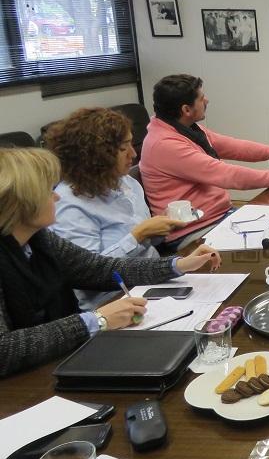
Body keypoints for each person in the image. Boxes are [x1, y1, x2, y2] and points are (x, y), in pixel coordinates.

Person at [0, 148, 221, 377]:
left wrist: (177, 265)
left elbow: (100, 269)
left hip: (62, 361)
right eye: (47, 191)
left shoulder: (39, 239)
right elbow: (4, 351)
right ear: (21, 203)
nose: (56, 196)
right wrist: (96, 320)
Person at [140, 74, 269, 243]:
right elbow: (227, 175)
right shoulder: (164, 144)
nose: (207, 101)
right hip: (193, 232)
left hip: (219, 217)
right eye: (201, 99)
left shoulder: (184, 128)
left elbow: (236, 147)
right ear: (186, 110)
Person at [45, 108, 187, 311]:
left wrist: (160, 228)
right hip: (114, 300)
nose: (134, 153)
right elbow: (90, 273)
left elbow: (146, 245)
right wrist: (137, 235)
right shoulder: (69, 203)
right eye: (123, 148)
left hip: (153, 278)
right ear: (96, 155)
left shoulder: (126, 183)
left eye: (131, 144)